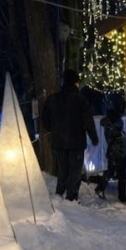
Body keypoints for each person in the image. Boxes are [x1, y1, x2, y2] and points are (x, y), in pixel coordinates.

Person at [41, 69, 98, 201]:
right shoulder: (81, 100)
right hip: (76, 141)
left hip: (59, 141)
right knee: (75, 169)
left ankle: (59, 193)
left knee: (63, 169)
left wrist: (54, 129)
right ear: (75, 82)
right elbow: (88, 120)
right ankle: (71, 196)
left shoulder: (53, 99)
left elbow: (45, 119)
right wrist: (93, 137)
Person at [95, 102, 126, 203]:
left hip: (113, 151)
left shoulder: (108, 124)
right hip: (118, 151)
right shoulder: (114, 124)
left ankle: (100, 189)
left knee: (111, 172)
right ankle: (121, 196)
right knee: (120, 174)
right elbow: (116, 137)